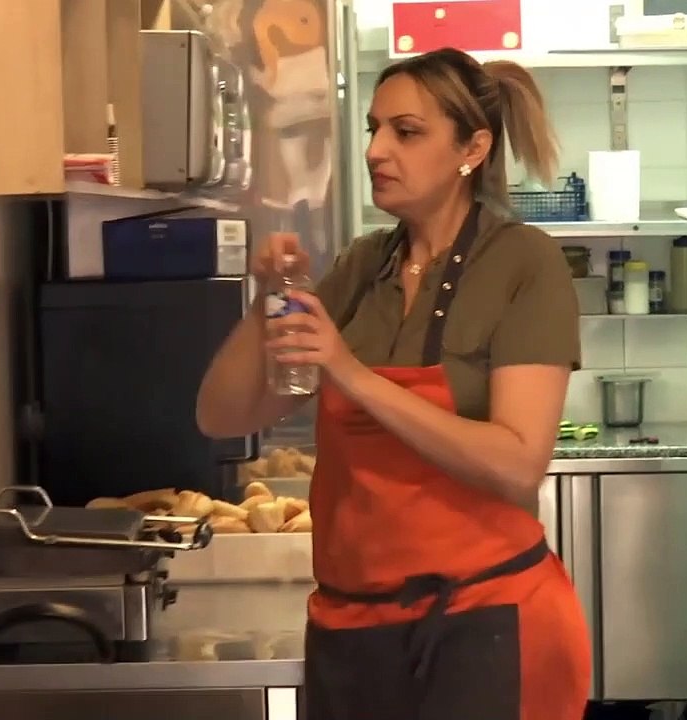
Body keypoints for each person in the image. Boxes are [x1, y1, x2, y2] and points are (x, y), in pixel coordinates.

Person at [195, 47, 590, 719]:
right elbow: (222, 414)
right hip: (354, 631)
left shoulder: (525, 261)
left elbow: (518, 464)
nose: (377, 149)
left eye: (405, 132)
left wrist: (349, 372)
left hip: (485, 624)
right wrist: (270, 300)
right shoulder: (364, 266)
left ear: (472, 148)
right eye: (374, 128)